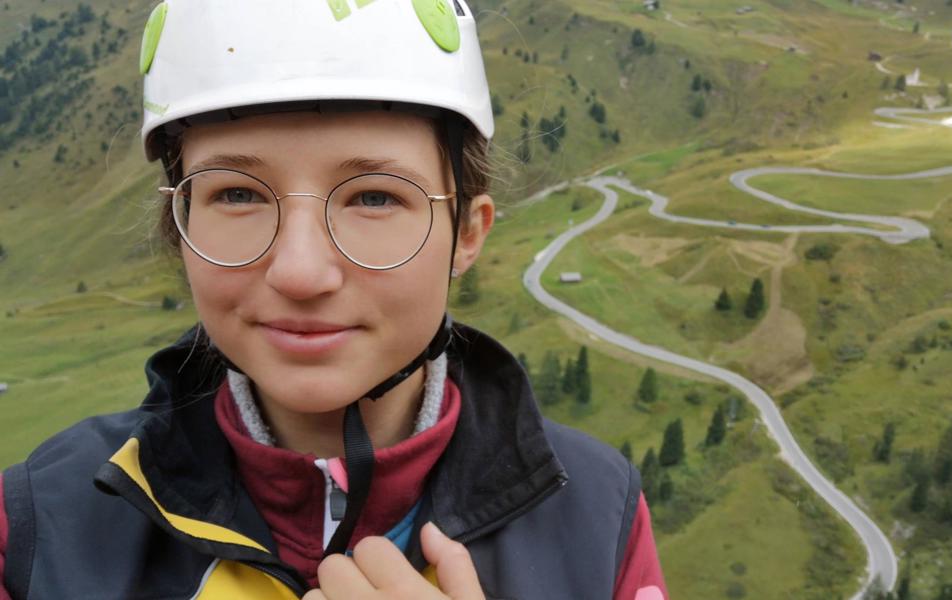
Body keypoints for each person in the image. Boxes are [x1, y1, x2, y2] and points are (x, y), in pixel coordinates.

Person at [0, 1, 669, 598]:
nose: (300, 271)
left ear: (467, 233)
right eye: (237, 194)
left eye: (374, 197)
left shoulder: (600, 516)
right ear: (182, 228)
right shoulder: (34, 526)